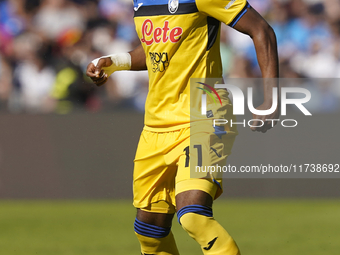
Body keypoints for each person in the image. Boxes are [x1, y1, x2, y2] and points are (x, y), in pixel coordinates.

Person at [86, 0, 279, 254]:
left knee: (193, 217)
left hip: (205, 113)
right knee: (149, 233)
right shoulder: (140, 2)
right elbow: (157, 50)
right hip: (157, 124)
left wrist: (272, 98)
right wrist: (113, 61)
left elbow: (261, 30)